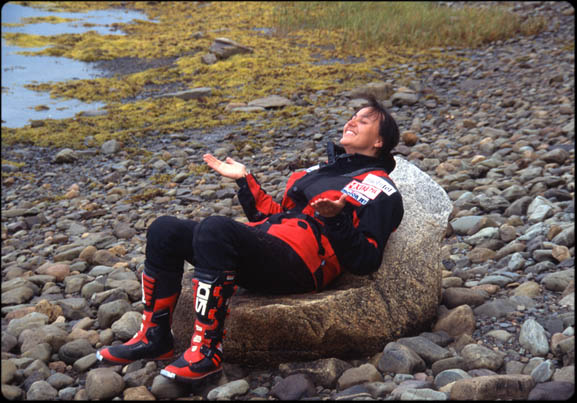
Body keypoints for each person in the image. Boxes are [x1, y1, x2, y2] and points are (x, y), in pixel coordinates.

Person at [96, 95, 404, 383]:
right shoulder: (315, 173)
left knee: (215, 228)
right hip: (270, 248)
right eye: (352, 116)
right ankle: (155, 337)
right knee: (164, 229)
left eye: (363, 120)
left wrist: (336, 219)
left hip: (302, 266)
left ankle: (206, 352)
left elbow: (367, 259)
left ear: (379, 141)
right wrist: (245, 180)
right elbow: (274, 215)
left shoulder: (379, 187)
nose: (351, 121)